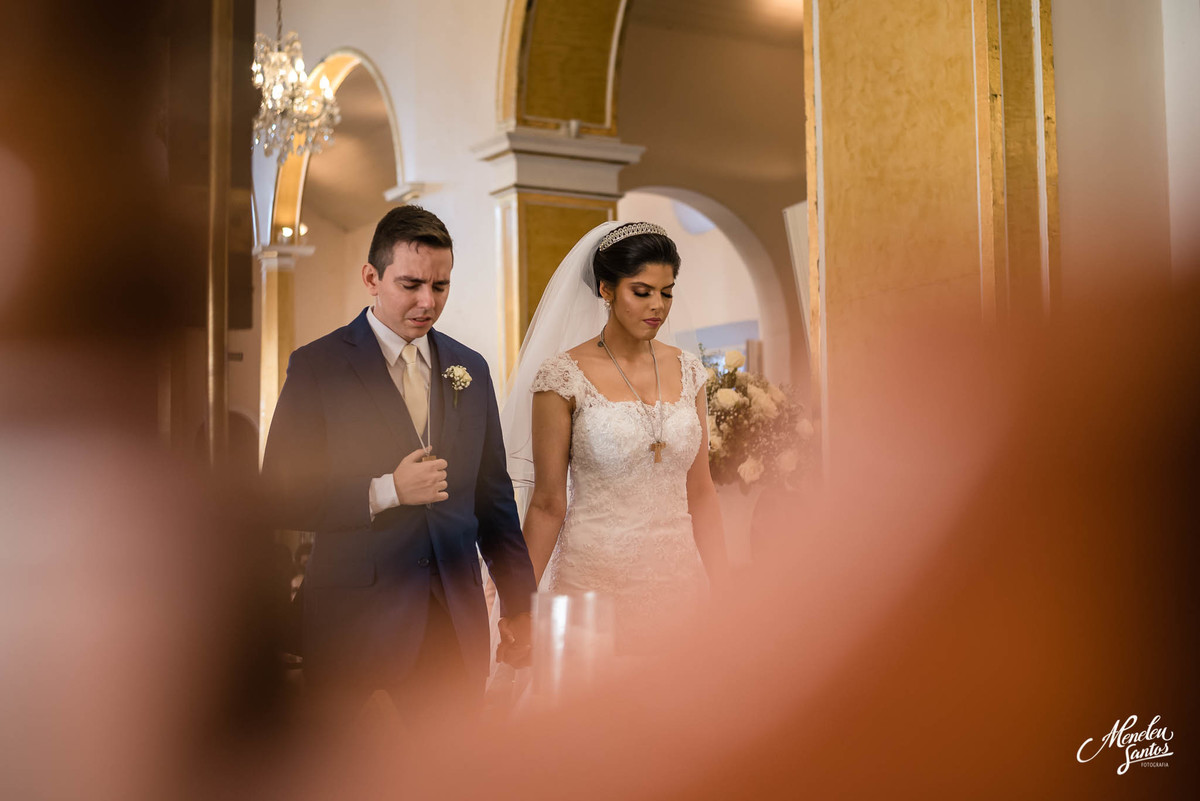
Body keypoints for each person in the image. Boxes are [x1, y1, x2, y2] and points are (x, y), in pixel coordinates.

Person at [261, 205, 537, 723]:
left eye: (441, 286)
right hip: (354, 625)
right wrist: (385, 490)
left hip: (454, 623)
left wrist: (520, 602)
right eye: (411, 284)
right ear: (371, 277)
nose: (427, 302)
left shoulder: (469, 368)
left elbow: (493, 498)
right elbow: (279, 492)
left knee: (452, 781)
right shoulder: (318, 366)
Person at [501, 222, 728, 649]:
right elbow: (549, 504)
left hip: (679, 582)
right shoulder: (562, 376)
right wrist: (520, 605)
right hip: (594, 583)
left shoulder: (690, 370)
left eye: (667, 292)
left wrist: (725, 584)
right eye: (641, 292)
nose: (657, 306)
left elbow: (701, 491)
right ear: (606, 289)